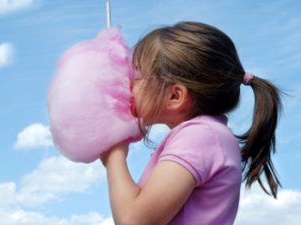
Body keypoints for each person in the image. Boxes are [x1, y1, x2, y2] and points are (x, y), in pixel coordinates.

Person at [100, 21, 282, 225]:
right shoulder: (207, 135)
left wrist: (114, 156)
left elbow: (134, 221)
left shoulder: (201, 136)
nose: (128, 82)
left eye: (137, 75)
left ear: (174, 96)